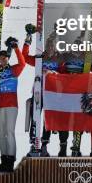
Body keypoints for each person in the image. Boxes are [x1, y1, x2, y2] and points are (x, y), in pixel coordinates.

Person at [23, 28, 68, 157]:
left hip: (53, 94)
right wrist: (27, 41)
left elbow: (64, 75)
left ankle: (45, 144)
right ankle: (34, 143)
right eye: (48, 46)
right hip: (38, 92)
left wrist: (52, 73)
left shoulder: (60, 59)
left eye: (52, 46)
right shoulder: (40, 58)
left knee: (51, 118)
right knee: (35, 116)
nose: (50, 48)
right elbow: (25, 57)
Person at [0, 37, 26, 172]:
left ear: (8, 58)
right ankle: (4, 160)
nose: (3, 59)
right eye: (1, 58)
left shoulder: (13, 70)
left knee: (9, 132)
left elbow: (23, 63)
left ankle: (11, 161)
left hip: (12, 105)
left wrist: (15, 48)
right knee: (1, 133)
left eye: (5, 57)